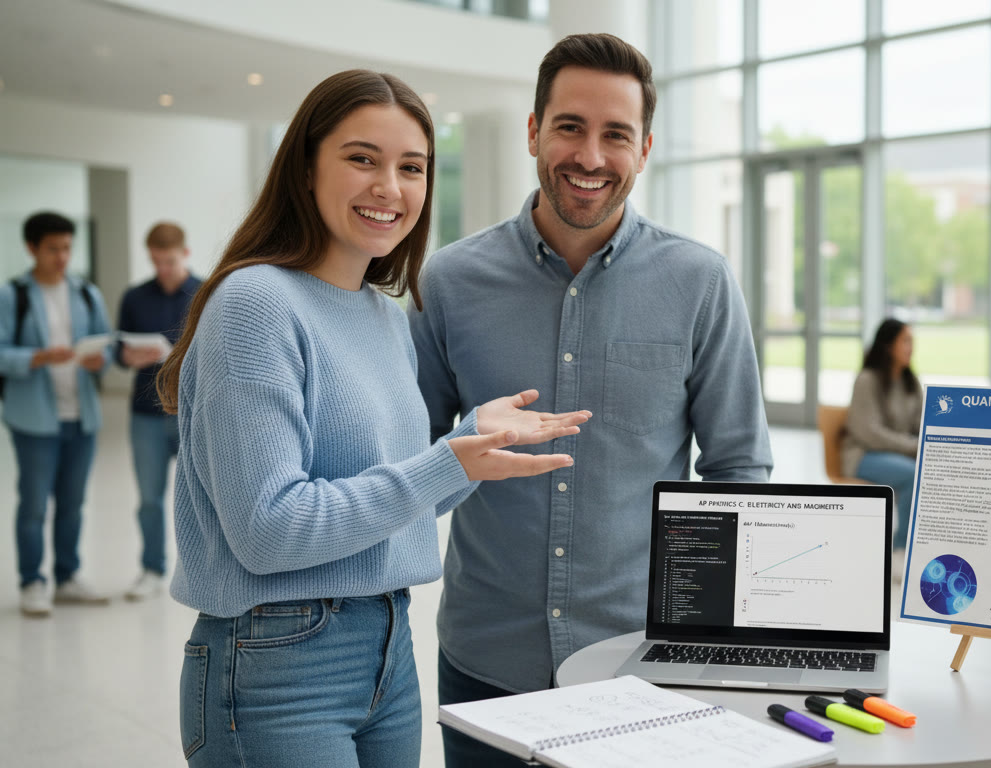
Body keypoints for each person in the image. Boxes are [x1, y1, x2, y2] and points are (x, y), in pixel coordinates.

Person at [156, 70, 589, 768]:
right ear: (304, 168)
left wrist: (470, 443)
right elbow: (269, 531)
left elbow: (393, 499)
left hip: (387, 646)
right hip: (277, 662)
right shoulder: (256, 304)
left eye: (411, 167)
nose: (390, 187)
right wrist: (443, 461)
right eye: (363, 159)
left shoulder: (383, 317)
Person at [407, 33, 772, 767]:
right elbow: (406, 463)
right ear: (535, 130)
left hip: (644, 669)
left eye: (617, 135)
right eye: (570, 126)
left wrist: (704, 636)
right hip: (488, 663)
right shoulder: (447, 281)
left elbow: (738, 473)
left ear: (644, 149)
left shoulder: (699, 282)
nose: (591, 157)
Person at [0, 211, 112, 617]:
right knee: (33, 505)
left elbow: (108, 344)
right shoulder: (14, 295)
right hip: (34, 419)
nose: (62, 257)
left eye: (67, 248)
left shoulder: (86, 293)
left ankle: (67, 576)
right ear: (32, 248)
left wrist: (103, 359)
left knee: (73, 502)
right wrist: (38, 357)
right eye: (53, 249)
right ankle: (32, 580)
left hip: (81, 416)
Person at [115, 221, 201, 600]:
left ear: (184, 253)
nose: (162, 269)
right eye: (156, 262)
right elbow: (118, 351)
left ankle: (198, 570)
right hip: (144, 415)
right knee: (149, 498)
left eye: (168, 261)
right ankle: (151, 569)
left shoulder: (206, 292)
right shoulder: (134, 297)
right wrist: (127, 356)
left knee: (200, 499)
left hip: (192, 413)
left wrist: (175, 355)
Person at [843, 318, 921, 547]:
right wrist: (912, 446)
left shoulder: (911, 382)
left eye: (912, 341)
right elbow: (869, 433)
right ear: (888, 345)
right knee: (913, 475)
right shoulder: (867, 380)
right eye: (905, 341)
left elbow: (920, 424)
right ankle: (901, 547)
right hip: (863, 456)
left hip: (899, 454)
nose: (911, 348)